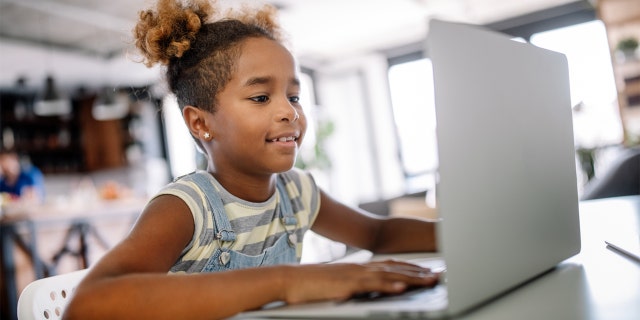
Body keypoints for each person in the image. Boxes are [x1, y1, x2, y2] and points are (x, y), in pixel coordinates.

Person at [64, 1, 439, 319]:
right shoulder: (187, 208)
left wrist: (469, 234)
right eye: (261, 98)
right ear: (200, 123)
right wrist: (287, 281)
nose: (290, 113)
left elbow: (378, 234)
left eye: (293, 96)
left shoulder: (296, 193)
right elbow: (87, 304)